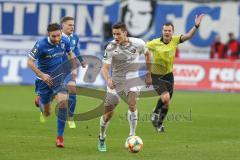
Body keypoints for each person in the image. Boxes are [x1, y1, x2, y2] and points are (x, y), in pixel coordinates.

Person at [97, 22, 152, 152]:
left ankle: (132, 134)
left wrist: (149, 73)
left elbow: (148, 54)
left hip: (132, 80)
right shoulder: (110, 47)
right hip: (116, 81)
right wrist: (108, 79)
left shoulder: (138, 43)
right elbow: (104, 68)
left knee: (132, 104)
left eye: (118, 33)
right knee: (108, 114)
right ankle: (102, 136)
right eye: (114, 34)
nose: (116, 36)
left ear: (125, 33)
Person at [147, 14, 204, 132]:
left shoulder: (175, 40)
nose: (167, 32)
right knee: (166, 97)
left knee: (167, 103)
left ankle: (159, 125)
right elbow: (142, 48)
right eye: (165, 30)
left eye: (169, 30)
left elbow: (188, 36)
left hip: (168, 75)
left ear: (172, 32)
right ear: (162, 31)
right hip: (156, 75)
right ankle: (155, 113)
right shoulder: (154, 43)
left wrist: (196, 26)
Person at [27, 23, 78, 148]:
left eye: (58, 35)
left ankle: (60, 137)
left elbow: (71, 54)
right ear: (48, 34)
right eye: (53, 36)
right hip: (43, 81)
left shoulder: (64, 41)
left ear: (61, 32)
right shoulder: (41, 45)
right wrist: (42, 75)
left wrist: (74, 68)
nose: (56, 39)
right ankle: (41, 103)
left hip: (58, 78)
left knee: (63, 102)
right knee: (47, 112)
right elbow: (29, 62)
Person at [61, 16, 86, 129]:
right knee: (50, 94)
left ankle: (70, 118)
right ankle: (42, 100)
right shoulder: (56, 37)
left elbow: (75, 49)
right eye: (70, 25)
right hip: (54, 69)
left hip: (67, 69)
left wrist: (81, 60)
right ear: (63, 25)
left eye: (73, 25)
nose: (72, 27)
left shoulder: (74, 37)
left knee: (72, 91)